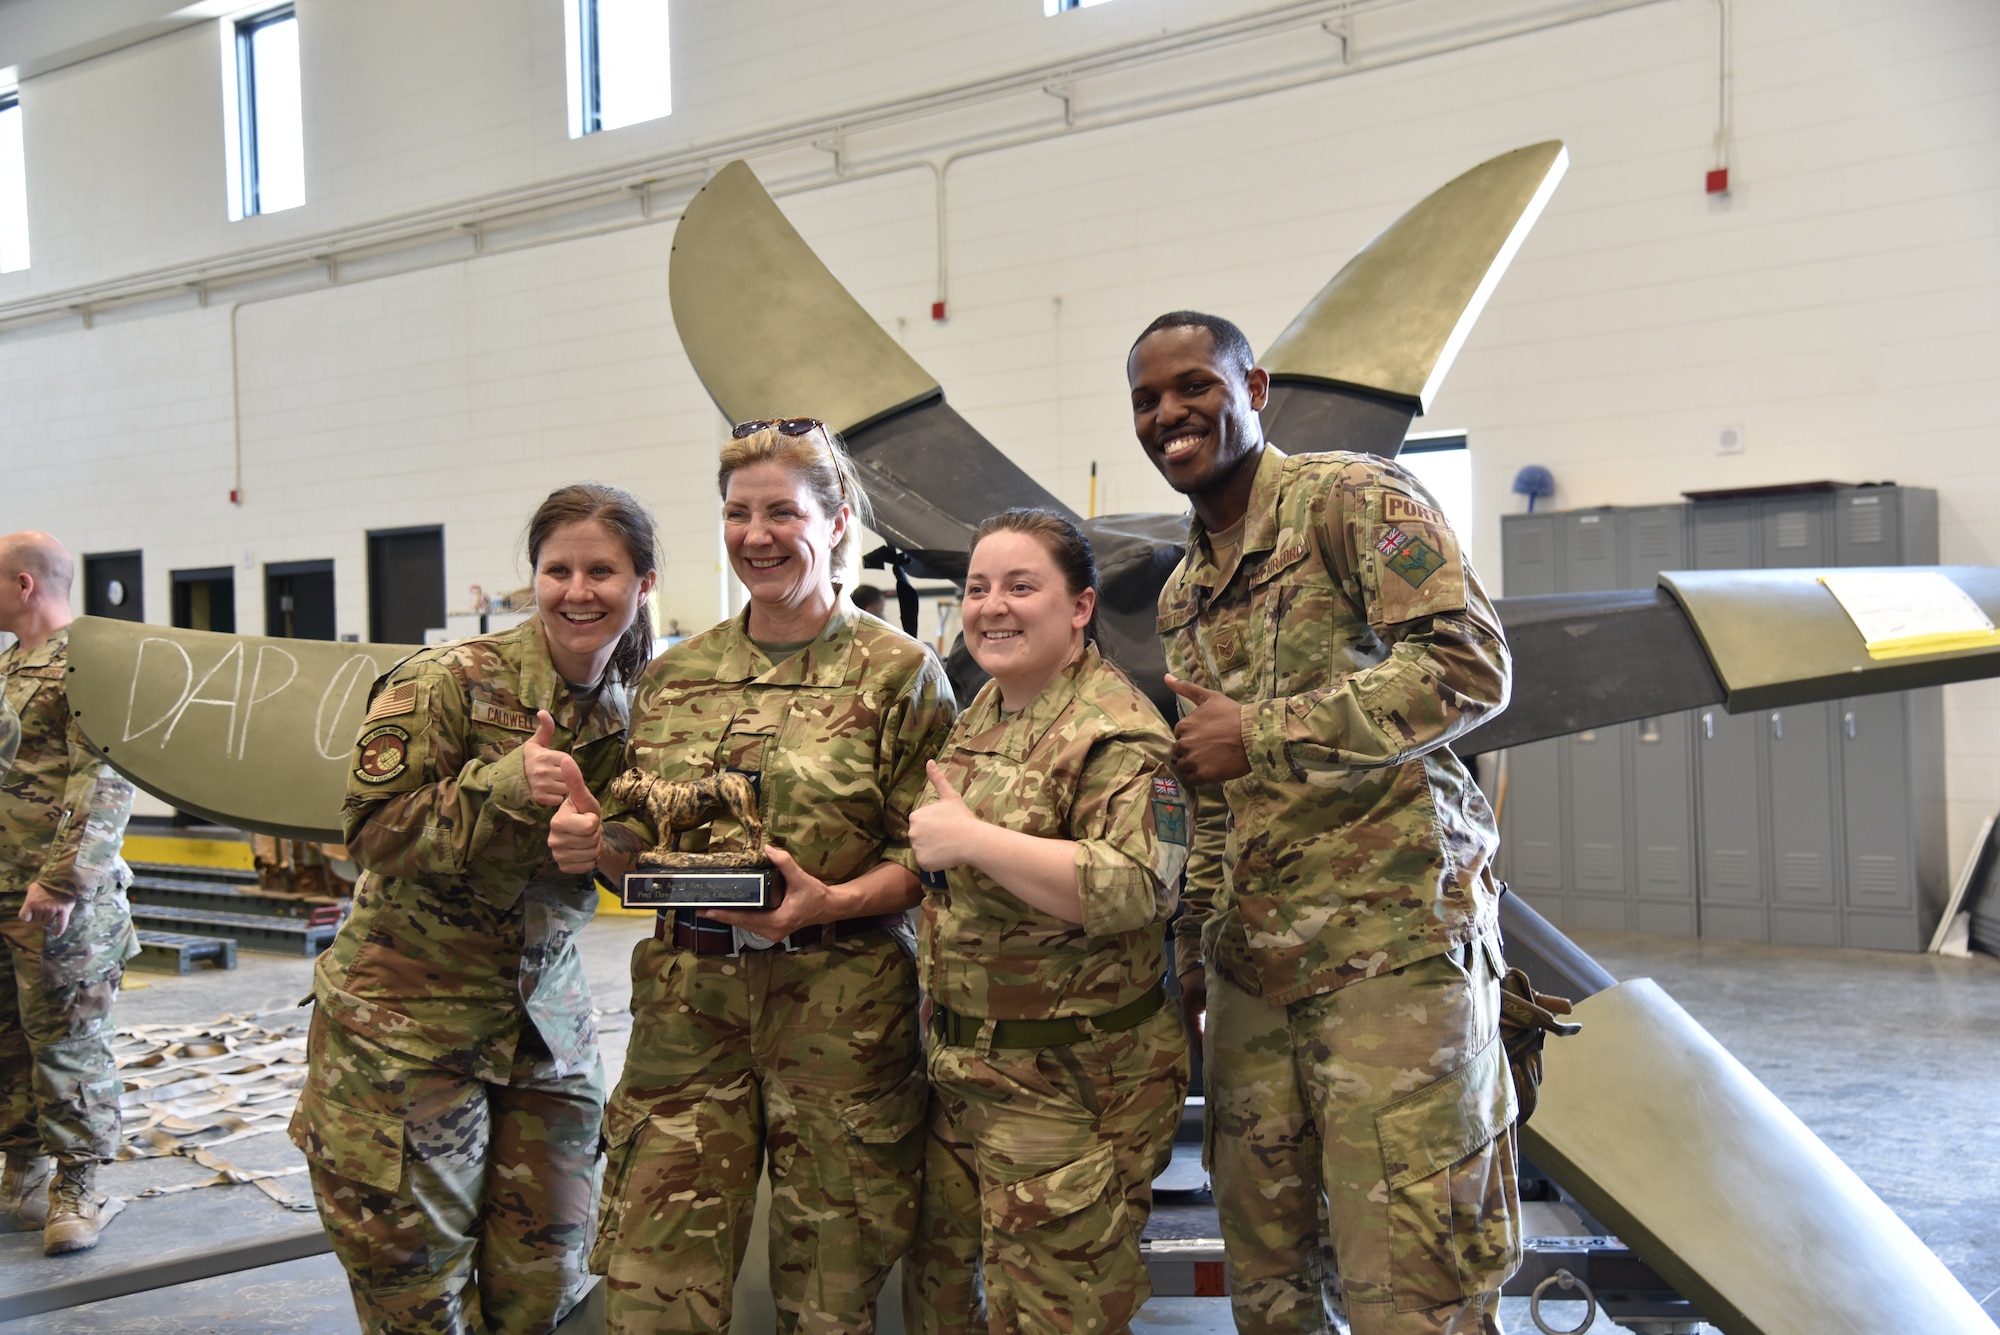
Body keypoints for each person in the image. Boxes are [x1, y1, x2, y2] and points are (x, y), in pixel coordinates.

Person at [1129, 312, 1520, 1335]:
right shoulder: (1182, 594)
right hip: (1255, 978)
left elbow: (1468, 668)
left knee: (1413, 1284)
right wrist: (1191, 949)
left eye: (1193, 386)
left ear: (1251, 389)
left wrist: (1259, 731)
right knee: (1266, 1282)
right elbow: (1211, 793)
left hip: (1388, 963)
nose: (1169, 413)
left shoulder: (1348, 501)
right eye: (1146, 400)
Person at [552, 418, 955, 1333]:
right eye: (738, 513)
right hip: (686, 1021)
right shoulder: (674, 676)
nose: (757, 535)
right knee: (654, 1293)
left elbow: (933, 854)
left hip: (841, 1021)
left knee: (832, 1300)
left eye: (782, 511)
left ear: (837, 519)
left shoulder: (901, 676)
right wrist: (592, 843)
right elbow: (635, 838)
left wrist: (834, 901)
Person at [290, 483, 659, 1335]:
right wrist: (502, 786)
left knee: (548, 1282)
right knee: (418, 1294)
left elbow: (642, 851)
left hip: (546, 1037)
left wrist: (605, 849)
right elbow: (369, 831)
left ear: (642, 584)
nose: (577, 589)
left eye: (601, 569)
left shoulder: (641, 709)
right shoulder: (447, 681)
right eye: (556, 568)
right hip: (407, 1031)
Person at [901, 509, 1191, 1334]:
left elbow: (1141, 886)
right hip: (967, 1073)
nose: (993, 606)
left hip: (1072, 1089)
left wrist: (975, 840)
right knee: (947, 1302)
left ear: (1080, 607)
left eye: (1021, 586)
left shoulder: (1121, 733)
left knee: (1058, 1316)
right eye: (978, 588)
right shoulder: (986, 710)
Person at [0, 531, 139, 1256]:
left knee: (69, 1043)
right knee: (8, 1045)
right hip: (1, 890)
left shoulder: (89, 665)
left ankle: (80, 1181)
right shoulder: (8, 667)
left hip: (60, 901)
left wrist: (62, 877)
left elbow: (106, 776)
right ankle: (20, 1168)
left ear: (24, 584)